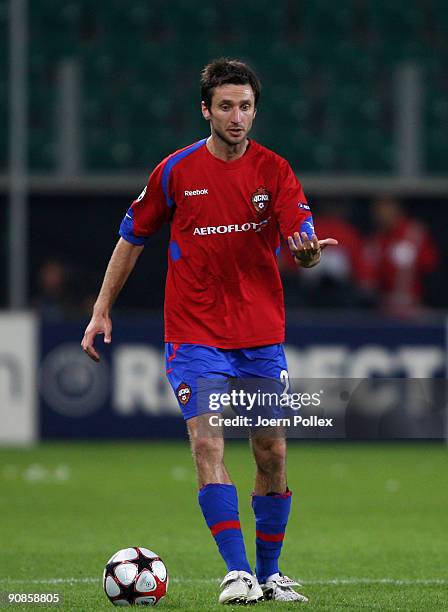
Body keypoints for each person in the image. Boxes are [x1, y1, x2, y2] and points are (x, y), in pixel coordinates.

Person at [81, 58, 336, 605]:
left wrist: (309, 256)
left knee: (271, 453)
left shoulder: (275, 171)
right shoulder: (175, 171)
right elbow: (132, 237)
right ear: (206, 109)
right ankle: (237, 572)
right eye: (226, 106)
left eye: (245, 106)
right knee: (207, 441)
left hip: (261, 336)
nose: (238, 116)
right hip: (194, 333)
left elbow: (302, 239)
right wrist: (102, 309)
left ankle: (270, 574)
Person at [362, 196, 439, 316]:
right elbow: (368, 279)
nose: (381, 213)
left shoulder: (414, 234)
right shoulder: (374, 240)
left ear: (397, 209)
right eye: (378, 209)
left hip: (413, 307)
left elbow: (431, 268)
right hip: (382, 309)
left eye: (386, 207)